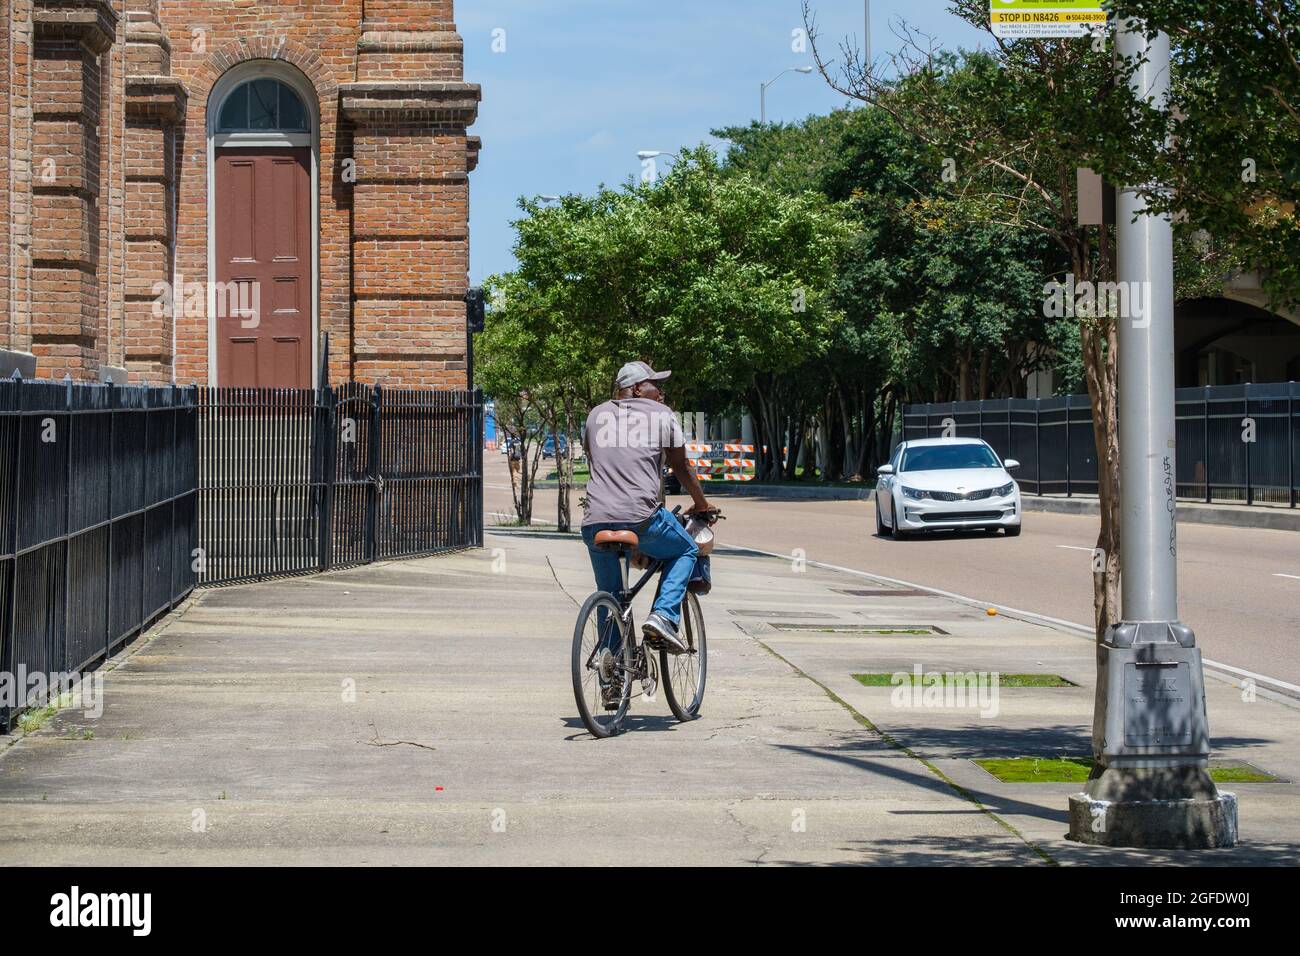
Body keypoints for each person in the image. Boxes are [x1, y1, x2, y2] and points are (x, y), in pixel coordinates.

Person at [581, 361, 715, 671]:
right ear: (638, 388)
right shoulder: (662, 415)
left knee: (609, 596)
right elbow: (681, 467)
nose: (662, 390)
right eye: (656, 384)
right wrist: (701, 504)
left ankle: (611, 673)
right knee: (686, 549)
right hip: (642, 518)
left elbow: (598, 461)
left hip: (594, 521)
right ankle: (664, 616)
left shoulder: (595, 414)